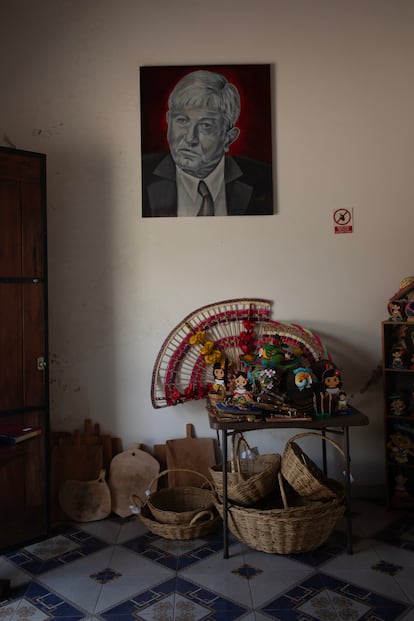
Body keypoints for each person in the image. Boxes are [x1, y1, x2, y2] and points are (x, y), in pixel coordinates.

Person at [142, 69, 273, 217]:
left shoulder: (265, 179)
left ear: (229, 137)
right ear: (168, 121)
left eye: (206, 126)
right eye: (182, 121)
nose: (190, 138)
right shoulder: (140, 175)